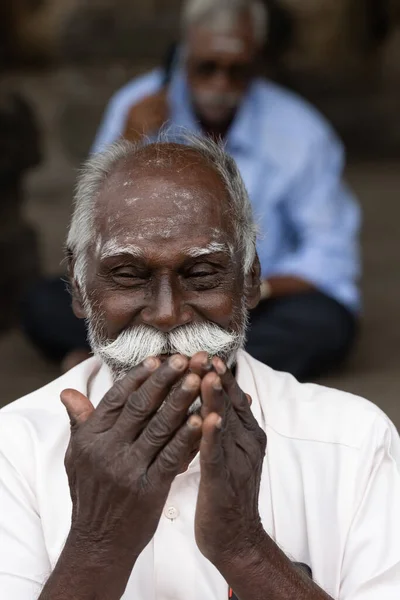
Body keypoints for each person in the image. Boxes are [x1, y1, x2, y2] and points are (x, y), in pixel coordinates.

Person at [1, 138, 399, 600]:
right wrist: (98, 544)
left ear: (250, 279)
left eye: (202, 273)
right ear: (77, 286)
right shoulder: (14, 449)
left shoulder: (352, 441)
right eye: (129, 275)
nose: (168, 314)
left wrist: (245, 546)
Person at [22, 0, 361, 380]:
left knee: (325, 324)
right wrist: (131, 138)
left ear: (258, 64)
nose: (220, 84)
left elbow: (330, 258)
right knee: (47, 302)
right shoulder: (138, 107)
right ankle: (210, 370)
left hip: (247, 299)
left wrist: (250, 287)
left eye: (237, 72)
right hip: (142, 297)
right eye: (207, 68)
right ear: (184, 53)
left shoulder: (301, 131)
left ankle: (131, 368)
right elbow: (94, 230)